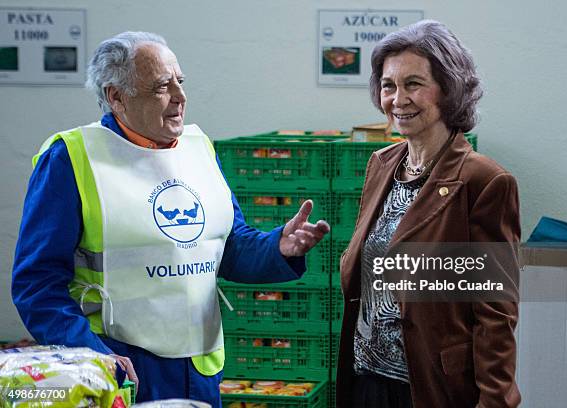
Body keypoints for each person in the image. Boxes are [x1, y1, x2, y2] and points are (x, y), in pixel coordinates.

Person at [12, 31, 330, 406]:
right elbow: (37, 282)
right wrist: (90, 354)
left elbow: (227, 247)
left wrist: (278, 246)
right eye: (162, 86)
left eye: (180, 82)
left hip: (198, 366)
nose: (180, 97)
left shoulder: (198, 149)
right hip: (118, 364)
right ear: (117, 96)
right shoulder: (72, 159)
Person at [335, 20, 521, 408]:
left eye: (414, 84)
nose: (398, 99)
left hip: (429, 388)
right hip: (366, 380)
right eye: (389, 85)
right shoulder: (381, 165)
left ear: (448, 90)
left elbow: (495, 315)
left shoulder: (484, 181)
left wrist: (495, 399)